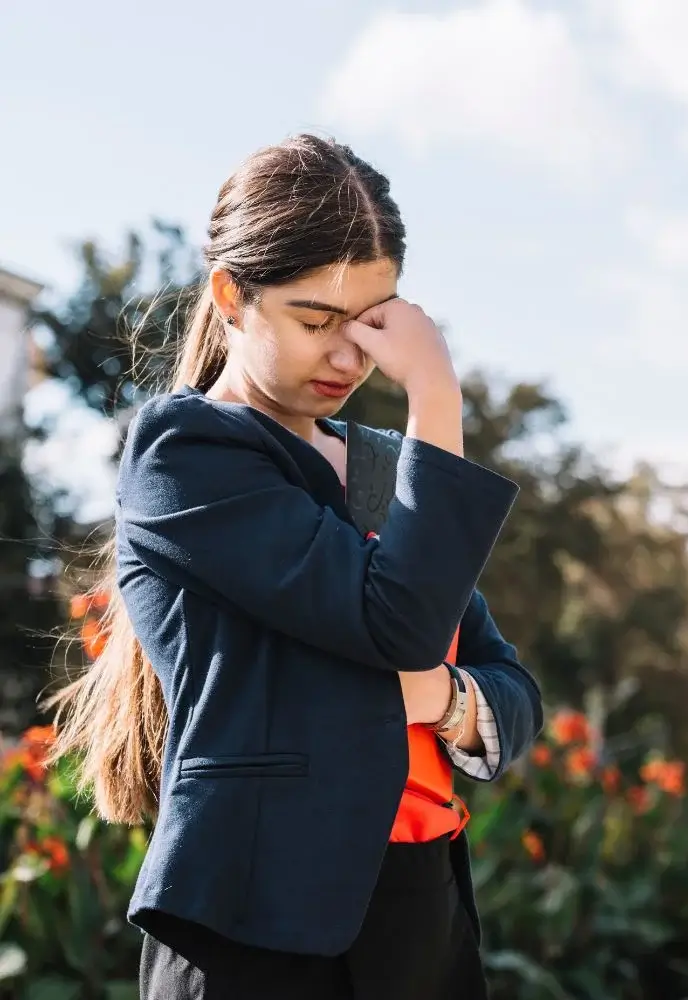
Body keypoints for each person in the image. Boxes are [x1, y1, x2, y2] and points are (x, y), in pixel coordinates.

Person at [46, 133, 543, 999]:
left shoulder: (392, 467)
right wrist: (437, 395)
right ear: (232, 295)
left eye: (371, 323)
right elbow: (402, 624)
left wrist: (446, 699)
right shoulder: (186, 453)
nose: (350, 358)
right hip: (259, 929)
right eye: (316, 322)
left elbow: (510, 685)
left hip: (420, 921)